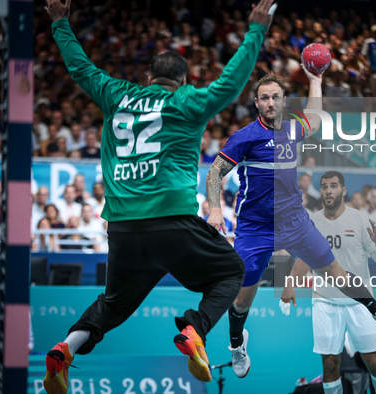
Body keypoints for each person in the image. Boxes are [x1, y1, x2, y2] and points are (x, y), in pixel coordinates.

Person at [43, 0, 275, 392]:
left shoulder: (115, 94)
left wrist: (60, 23)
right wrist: (255, 30)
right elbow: (231, 83)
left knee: (113, 304)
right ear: (182, 82)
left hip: (121, 227)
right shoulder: (186, 101)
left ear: (149, 77)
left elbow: (80, 68)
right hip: (171, 223)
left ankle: (66, 348)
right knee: (232, 272)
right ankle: (194, 331)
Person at [206, 73, 376, 377]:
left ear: (284, 101)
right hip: (255, 227)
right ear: (256, 103)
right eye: (265, 98)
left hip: (294, 220)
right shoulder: (244, 137)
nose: (271, 102)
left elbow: (316, 117)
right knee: (243, 297)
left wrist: (315, 80)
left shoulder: (293, 128)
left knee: (336, 273)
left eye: (276, 97)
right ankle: (236, 344)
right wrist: (216, 210)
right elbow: (215, 173)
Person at [280, 171, 376, 394]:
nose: (328, 190)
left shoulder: (360, 219)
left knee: (373, 361)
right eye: (324, 187)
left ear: (343, 190)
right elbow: (304, 257)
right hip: (326, 301)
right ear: (320, 191)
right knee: (330, 364)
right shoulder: (311, 221)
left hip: (360, 302)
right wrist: (289, 284)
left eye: (333, 186)